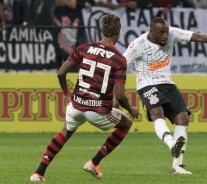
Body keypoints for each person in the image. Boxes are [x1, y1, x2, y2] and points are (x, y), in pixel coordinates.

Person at [30, 14, 139, 181]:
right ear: (118, 32)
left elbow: (61, 73)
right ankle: (94, 162)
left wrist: (67, 93)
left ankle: (39, 172)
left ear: (101, 30)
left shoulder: (83, 48)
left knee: (65, 132)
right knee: (127, 124)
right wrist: (131, 109)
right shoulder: (119, 59)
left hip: (76, 105)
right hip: (98, 111)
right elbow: (120, 95)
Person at [123, 17, 207, 174]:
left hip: (167, 83)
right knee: (157, 113)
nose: (165, 35)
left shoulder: (173, 34)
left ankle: (177, 166)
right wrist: (117, 93)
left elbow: (196, 36)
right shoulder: (138, 44)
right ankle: (171, 143)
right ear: (151, 32)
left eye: (166, 32)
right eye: (161, 33)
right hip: (147, 84)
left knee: (183, 118)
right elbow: (121, 64)